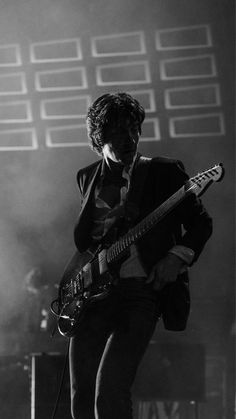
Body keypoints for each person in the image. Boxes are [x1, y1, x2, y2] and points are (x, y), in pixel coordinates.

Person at [64, 92, 212, 419]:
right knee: (81, 395)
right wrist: (68, 283)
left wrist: (176, 256)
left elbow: (201, 223)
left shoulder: (163, 172)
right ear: (99, 136)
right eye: (118, 132)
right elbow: (89, 244)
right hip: (92, 296)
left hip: (138, 293)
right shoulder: (86, 177)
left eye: (134, 129)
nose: (129, 138)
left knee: (111, 392)